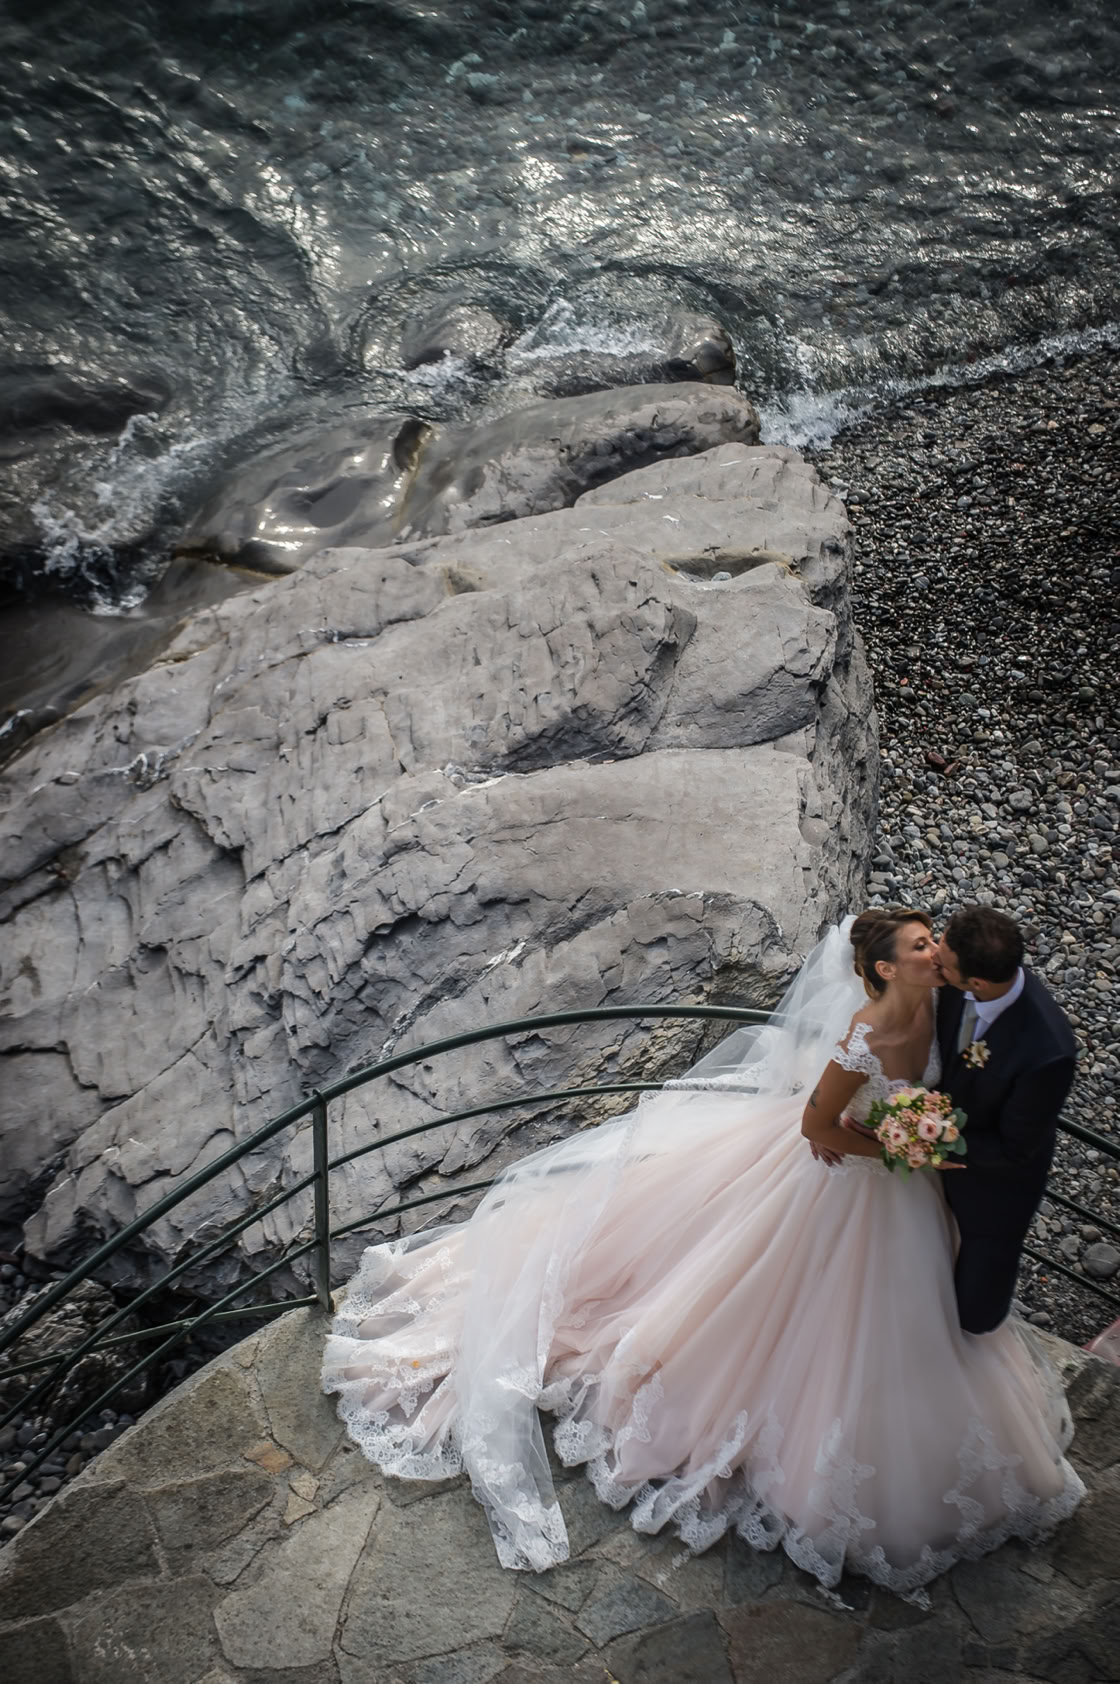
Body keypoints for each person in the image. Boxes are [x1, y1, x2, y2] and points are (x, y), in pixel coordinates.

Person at [322, 910, 1082, 1594]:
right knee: (792, 1303)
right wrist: (887, 1139)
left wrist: (919, 1142)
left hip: (913, 1192)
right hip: (858, 1178)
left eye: (940, 947)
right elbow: (817, 1128)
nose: (937, 951)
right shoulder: (867, 1032)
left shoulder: (950, 1002)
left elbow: (977, 1095)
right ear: (886, 968)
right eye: (925, 945)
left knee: (917, 1316)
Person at [933, 906, 1078, 1335]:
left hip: (992, 1189)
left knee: (974, 1312)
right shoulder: (956, 978)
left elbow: (1016, 1148)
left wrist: (931, 1145)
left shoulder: (1048, 1052)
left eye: (943, 963)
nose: (933, 963)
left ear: (975, 982)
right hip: (931, 1157)